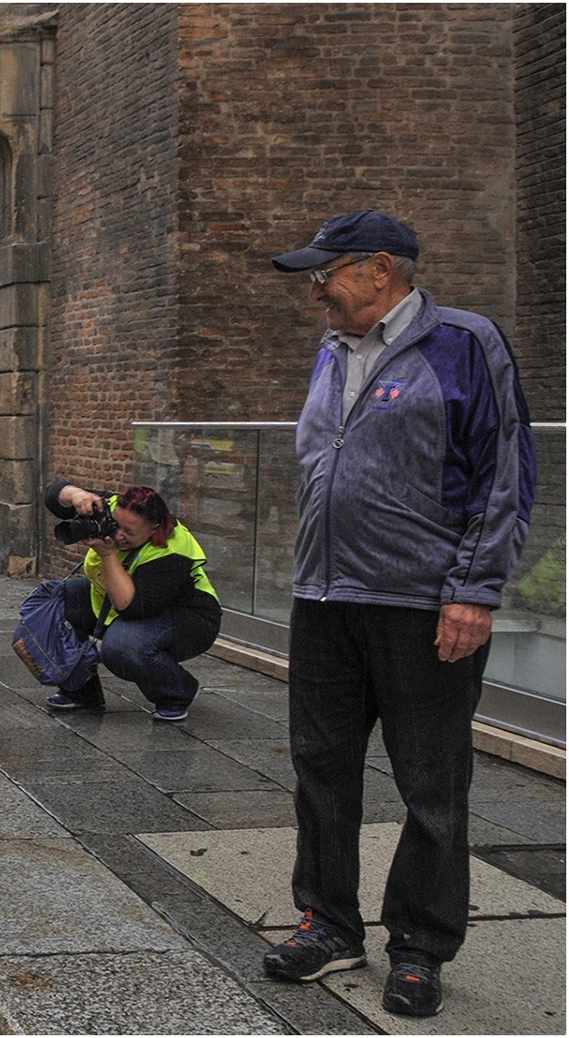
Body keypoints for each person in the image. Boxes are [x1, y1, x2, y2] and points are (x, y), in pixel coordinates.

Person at [263, 210, 536, 1017]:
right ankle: (329, 922)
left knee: (431, 783)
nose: (316, 291)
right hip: (324, 596)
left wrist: (474, 591)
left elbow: (504, 473)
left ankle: (419, 945)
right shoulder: (331, 350)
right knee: (321, 768)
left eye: (327, 275)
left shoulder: (465, 343)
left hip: (422, 603)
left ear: (381, 269)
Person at [42, 482, 221, 719]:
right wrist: (77, 495)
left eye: (130, 532)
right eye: (116, 525)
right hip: (126, 602)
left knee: (121, 647)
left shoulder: (173, 551)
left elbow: (131, 608)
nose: (119, 535)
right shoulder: (112, 507)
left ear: (154, 529)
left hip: (189, 619)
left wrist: (107, 553)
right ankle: (81, 691)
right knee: (53, 603)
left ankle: (176, 691)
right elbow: (53, 495)